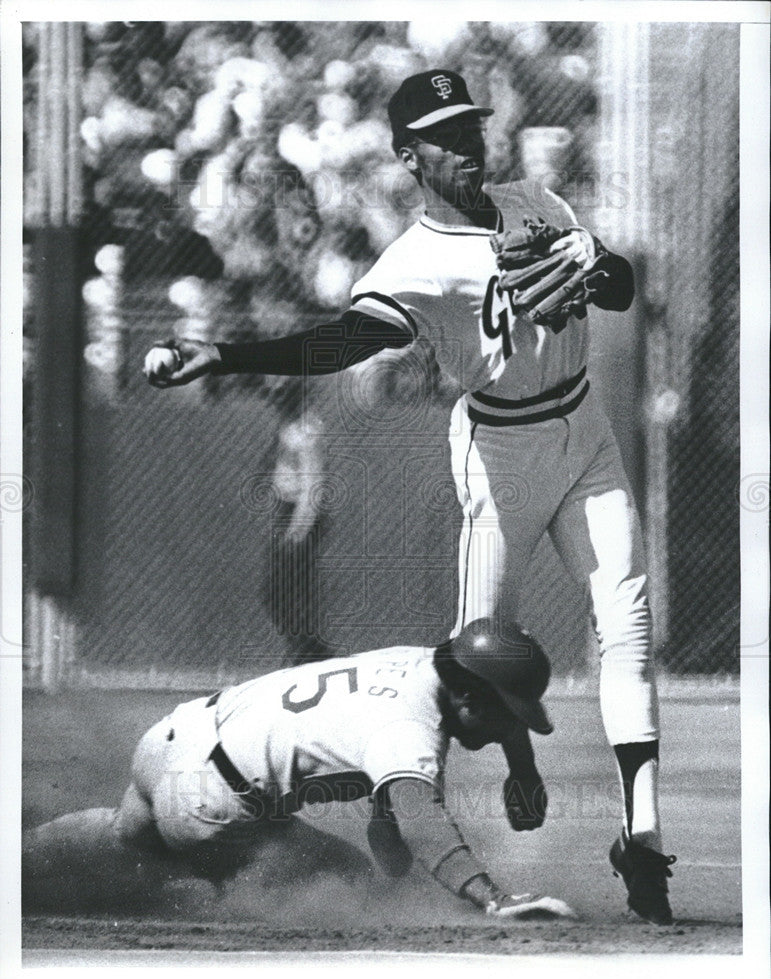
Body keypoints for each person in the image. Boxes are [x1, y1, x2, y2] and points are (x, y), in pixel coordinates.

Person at [144, 69, 676, 924]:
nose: (467, 142)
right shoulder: (415, 260)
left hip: (588, 429)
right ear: (407, 156)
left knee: (627, 623)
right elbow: (342, 344)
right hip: (500, 443)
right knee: (471, 658)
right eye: (445, 134)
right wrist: (229, 356)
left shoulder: (537, 200)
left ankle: (641, 836)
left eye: (471, 126)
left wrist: (596, 259)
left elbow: (617, 291)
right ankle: (395, 803)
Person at [23, 619, 575, 920]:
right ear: (470, 701)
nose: (509, 729)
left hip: (171, 736)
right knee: (350, 884)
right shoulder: (407, 729)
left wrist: (521, 767)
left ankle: (19, 855)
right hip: (212, 804)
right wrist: (491, 896)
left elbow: (396, 816)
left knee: (121, 838)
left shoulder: (423, 664)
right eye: (510, 718)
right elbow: (417, 822)